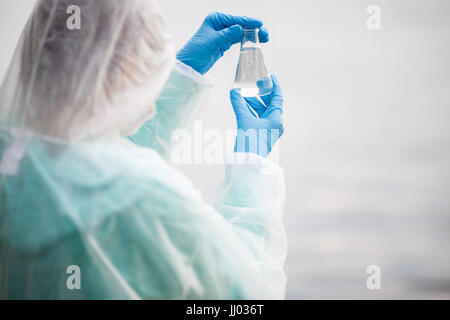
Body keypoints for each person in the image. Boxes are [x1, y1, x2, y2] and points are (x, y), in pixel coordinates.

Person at [0, 0, 286, 299]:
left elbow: (87, 168)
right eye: (150, 72)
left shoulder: (13, 161)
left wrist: (179, 80)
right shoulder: (150, 199)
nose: (150, 99)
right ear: (128, 66)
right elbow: (248, 297)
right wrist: (253, 167)